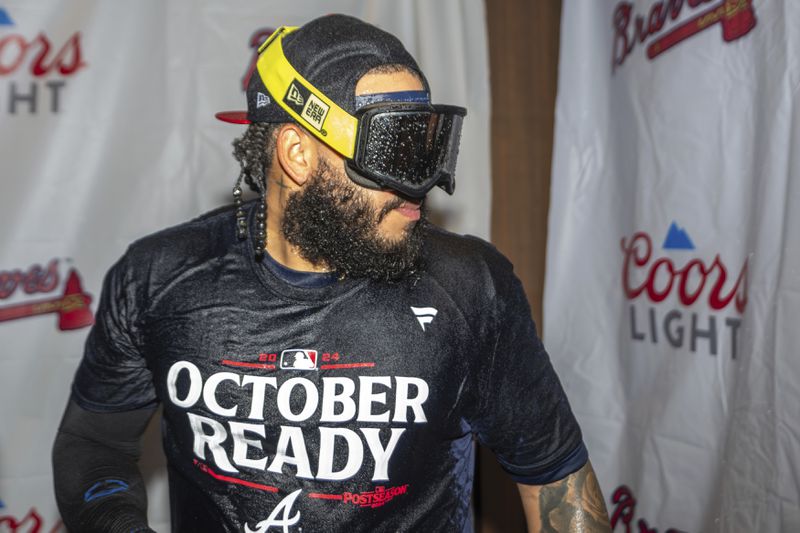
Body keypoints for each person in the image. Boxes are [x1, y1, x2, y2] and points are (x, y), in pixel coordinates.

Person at [52, 14, 611, 533]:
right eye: (394, 150)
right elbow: (94, 443)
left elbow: (554, 476)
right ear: (296, 153)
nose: (422, 183)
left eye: (427, 146)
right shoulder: (160, 278)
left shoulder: (468, 286)